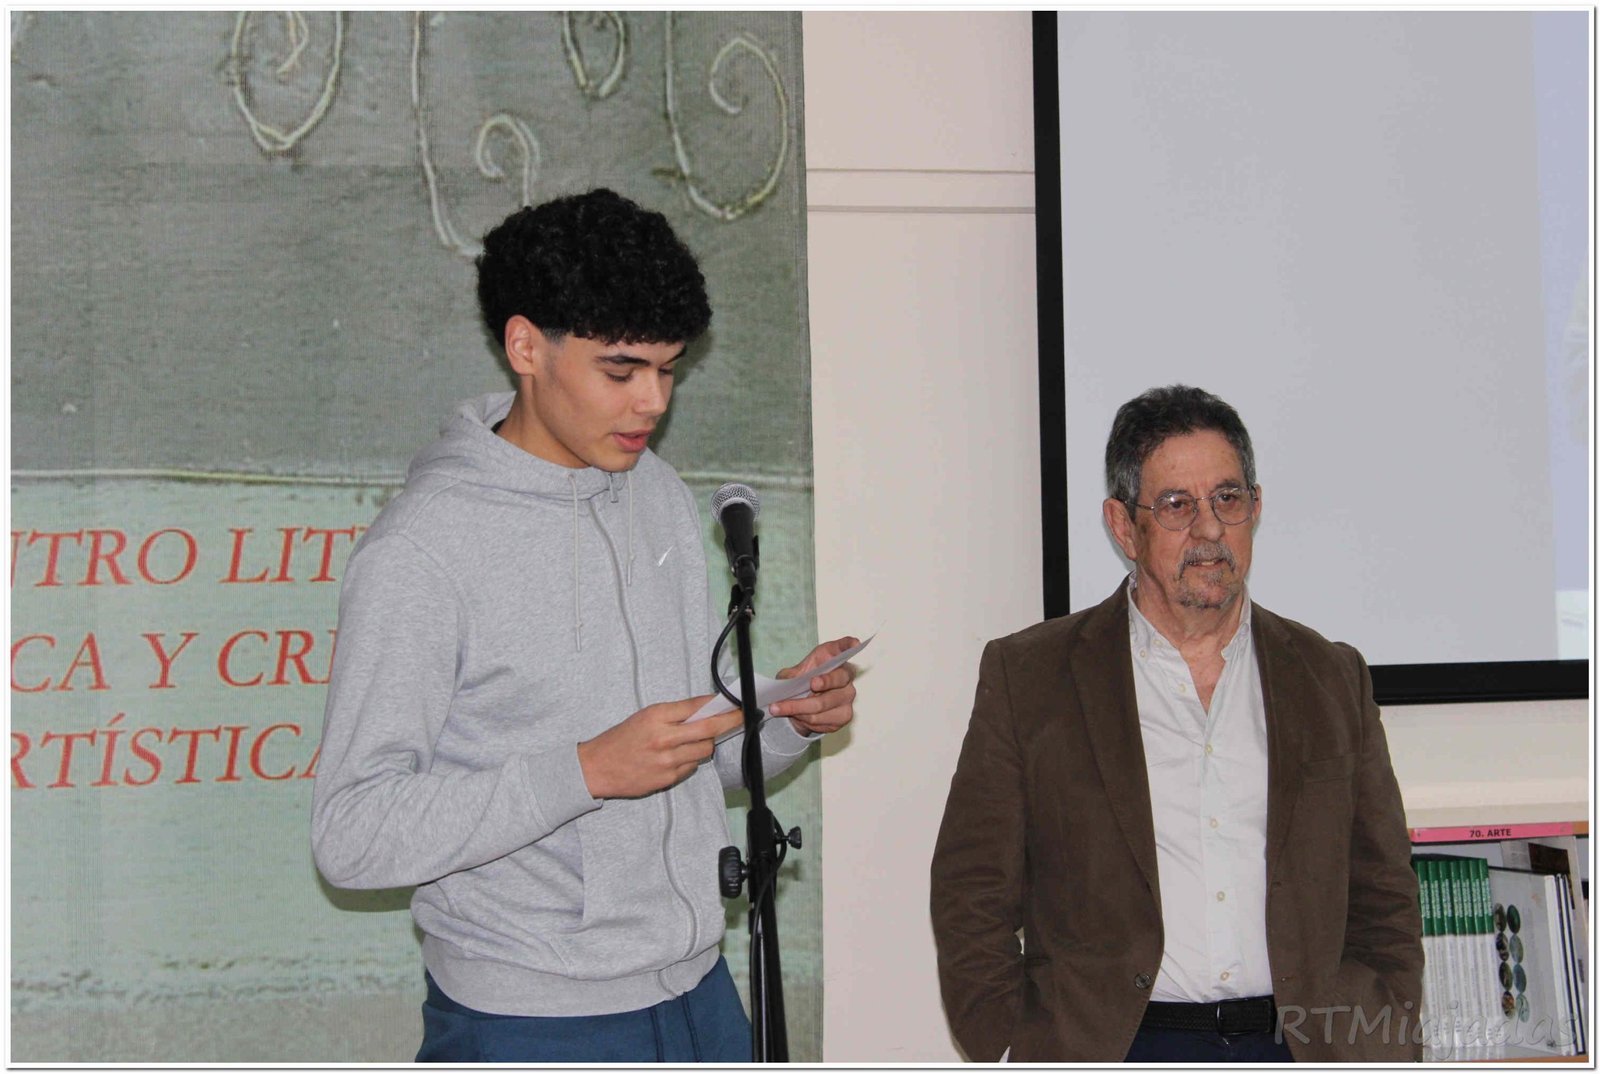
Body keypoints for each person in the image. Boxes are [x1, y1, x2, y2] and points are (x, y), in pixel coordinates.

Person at [310, 188, 856, 1063]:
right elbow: (353, 834)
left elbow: (681, 763)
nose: (652, 403)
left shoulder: (660, 499)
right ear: (526, 345)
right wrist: (585, 772)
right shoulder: (422, 548)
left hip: (699, 993)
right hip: (527, 1018)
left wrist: (781, 720)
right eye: (621, 370)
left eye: (669, 369)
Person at [929, 385, 1422, 1063]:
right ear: (1122, 526)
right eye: (1176, 506)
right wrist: (1015, 1042)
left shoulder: (1329, 675)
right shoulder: (1032, 678)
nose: (1210, 529)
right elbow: (971, 891)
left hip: (1301, 1047)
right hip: (1117, 1046)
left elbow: (1384, 893)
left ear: (1256, 506)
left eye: (1228, 498)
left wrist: (1384, 1038)